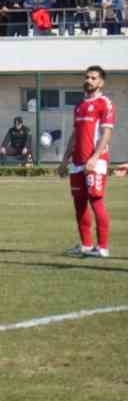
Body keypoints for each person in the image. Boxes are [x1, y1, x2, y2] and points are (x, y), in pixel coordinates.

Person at [60, 65, 114, 258]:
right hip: (77, 162)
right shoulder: (79, 106)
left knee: (96, 201)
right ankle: (86, 245)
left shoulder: (104, 103)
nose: (88, 81)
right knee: (79, 203)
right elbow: (75, 135)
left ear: (101, 82)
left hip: (95, 162)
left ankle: (103, 248)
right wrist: (65, 160)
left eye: (93, 78)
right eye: (87, 77)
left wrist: (95, 157)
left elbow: (107, 133)